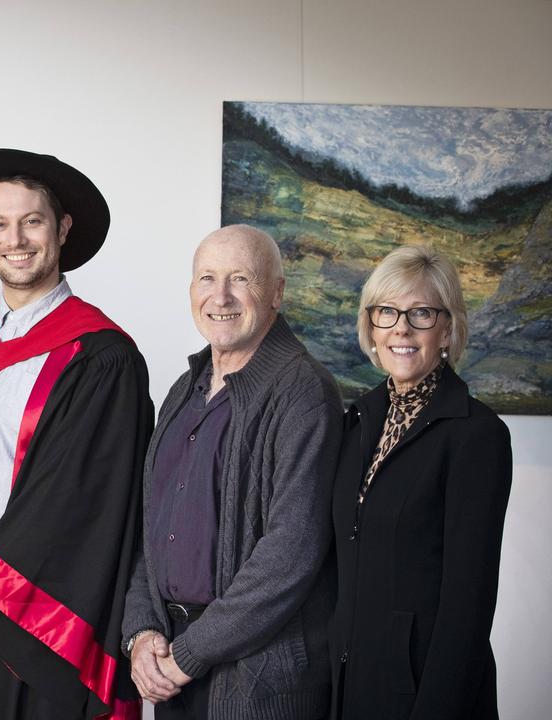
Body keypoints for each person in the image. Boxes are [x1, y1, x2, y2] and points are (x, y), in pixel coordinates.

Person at [0, 148, 153, 720]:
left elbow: (77, 506)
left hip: (39, 637)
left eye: (32, 221)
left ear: (63, 229)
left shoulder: (102, 358)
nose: (14, 239)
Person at [122, 224, 342, 720]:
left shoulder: (304, 392)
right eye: (207, 278)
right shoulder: (183, 388)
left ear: (277, 292)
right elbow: (148, 530)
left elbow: (293, 550)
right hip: (172, 665)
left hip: (259, 682)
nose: (220, 296)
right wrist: (142, 633)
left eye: (241, 278)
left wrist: (191, 652)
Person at [329, 245, 511, 720]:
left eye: (421, 313)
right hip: (349, 686)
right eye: (387, 312)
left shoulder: (477, 435)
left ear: (447, 328)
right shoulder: (359, 420)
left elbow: (467, 609)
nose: (401, 329)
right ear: (371, 326)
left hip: (424, 697)